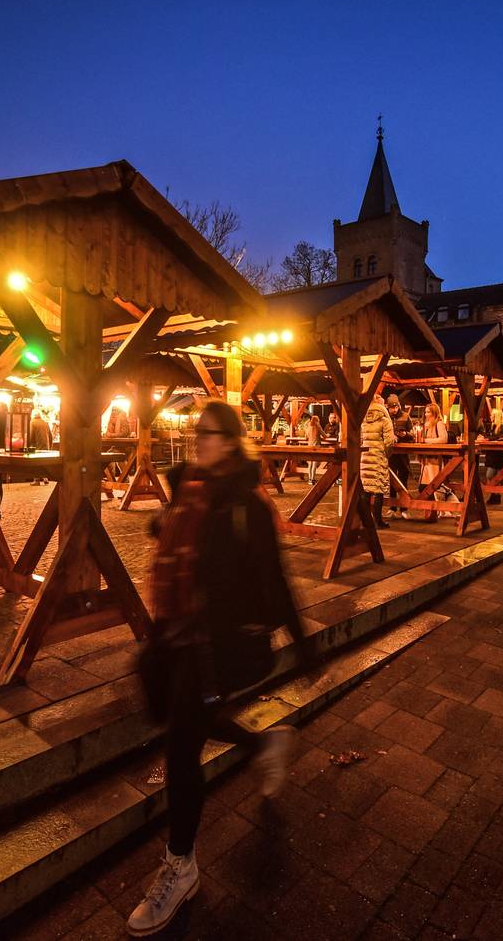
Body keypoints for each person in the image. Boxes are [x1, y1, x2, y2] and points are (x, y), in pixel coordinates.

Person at [128, 400, 310, 938]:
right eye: (194, 430)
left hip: (220, 647)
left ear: (230, 441)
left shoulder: (247, 506)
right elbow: (173, 541)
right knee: (190, 728)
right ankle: (264, 745)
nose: (195, 439)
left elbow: (273, 577)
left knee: (182, 748)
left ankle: (180, 867)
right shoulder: (192, 491)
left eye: (206, 433)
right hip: (184, 637)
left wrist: (305, 643)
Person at [360, 392, 394, 529]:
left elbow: (360, 439)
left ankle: (365, 520)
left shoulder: (362, 419)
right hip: (379, 456)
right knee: (379, 490)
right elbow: (390, 442)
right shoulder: (385, 420)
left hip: (365, 457)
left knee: (366, 490)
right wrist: (387, 454)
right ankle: (378, 521)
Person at [420, 403, 458, 513]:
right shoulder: (427, 425)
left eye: (428, 412)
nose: (426, 414)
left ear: (434, 413)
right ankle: (436, 510)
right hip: (427, 459)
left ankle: (446, 508)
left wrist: (427, 441)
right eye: (425, 411)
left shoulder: (439, 423)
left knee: (436, 485)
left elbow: (443, 439)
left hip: (436, 460)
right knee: (425, 486)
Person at [386, 394, 413, 518]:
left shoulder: (406, 416)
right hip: (391, 452)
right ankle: (392, 507)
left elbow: (412, 434)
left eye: (396, 407)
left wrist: (405, 434)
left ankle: (404, 509)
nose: (394, 409)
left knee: (403, 479)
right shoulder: (385, 417)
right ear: (388, 407)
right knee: (391, 480)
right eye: (392, 407)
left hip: (403, 453)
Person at [482, 406, 503, 505]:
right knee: (495, 476)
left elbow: (497, 438)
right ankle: (495, 496)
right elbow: (491, 437)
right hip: (492, 454)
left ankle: (496, 495)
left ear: (496, 416)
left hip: (496, 454)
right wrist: (486, 437)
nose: (490, 416)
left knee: (491, 475)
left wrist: (487, 439)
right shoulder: (494, 426)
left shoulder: (501, 426)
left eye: (492, 415)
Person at [29, 411, 52, 485]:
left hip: (37, 446)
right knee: (44, 462)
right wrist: (50, 446)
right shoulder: (45, 423)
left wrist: (29, 445)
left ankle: (36, 480)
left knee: (36, 463)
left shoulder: (32, 422)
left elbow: (31, 435)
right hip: (46, 446)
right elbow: (50, 436)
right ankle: (45, 478)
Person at [306, 414, 325, 483]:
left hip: (309, 446)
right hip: (316, 446)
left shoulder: (308, 426)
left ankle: (309, 479)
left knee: (310, 463)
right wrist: (326, 435)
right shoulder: (317, 425)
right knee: (314, 463)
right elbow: (324, 435)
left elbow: (306, 436)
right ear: (317, 420)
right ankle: (313, 478)